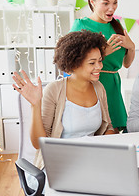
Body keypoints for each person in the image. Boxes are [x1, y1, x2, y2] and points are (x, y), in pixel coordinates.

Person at [12, 30, 115, 168]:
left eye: (100, 61)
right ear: (74, 64)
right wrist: (35, 105)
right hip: (60, 162)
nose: (99, 66)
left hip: (91, 160)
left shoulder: (99, 88)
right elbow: (39, 143)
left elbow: (107, 127)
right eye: (92, 63)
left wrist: (109, 149)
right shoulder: (54, 90)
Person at [70, 0, 135, 132]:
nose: (111, 8)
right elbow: (70, 64)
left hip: (113, 88)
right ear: (92, 2)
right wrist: (102, 53)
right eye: (105, 3)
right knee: (95, 134)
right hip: (91, 87)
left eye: (115, 3)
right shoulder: (81, 25)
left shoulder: (117, 26)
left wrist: (131, 47)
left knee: (114, 136)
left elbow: (126, 63)